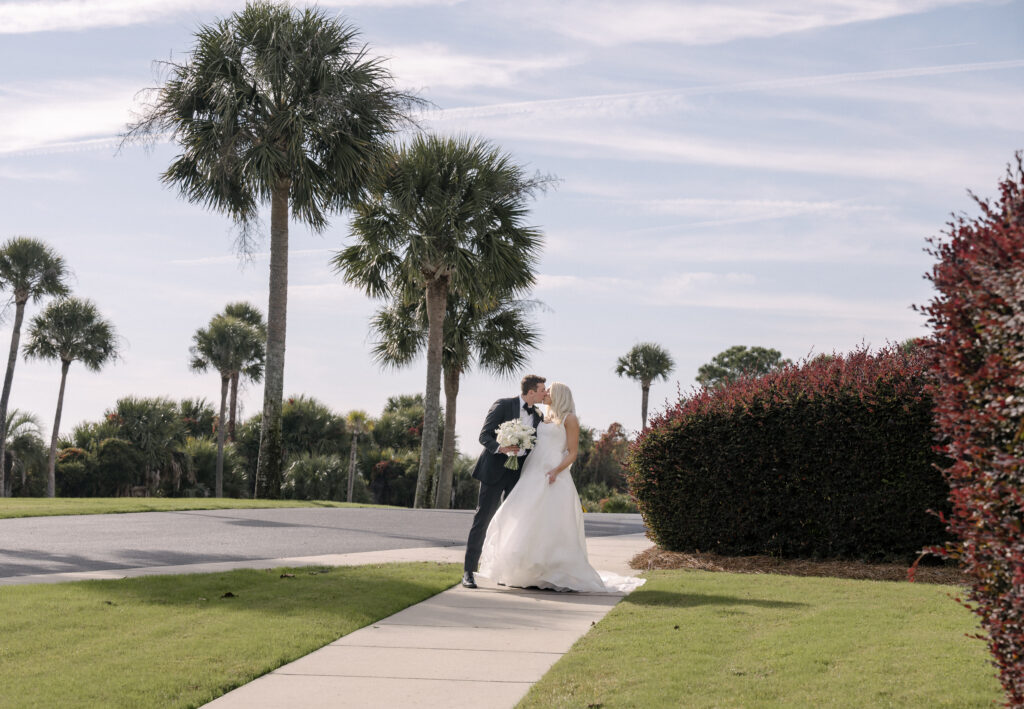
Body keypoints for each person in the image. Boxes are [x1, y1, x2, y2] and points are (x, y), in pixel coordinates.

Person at [476, 382, 645, 593]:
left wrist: (556, 470)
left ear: (559, 396)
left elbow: (573, 452)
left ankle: (553, 571)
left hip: (554, 473)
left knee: (552, 522)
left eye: (549, 391)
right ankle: (527, 571)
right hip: (533, 470)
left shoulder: (569, 419)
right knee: (522, 516)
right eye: (544, 391)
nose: (545, 394)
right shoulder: (543, 417)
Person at [461, 374, 547, 589]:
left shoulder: (538, 414)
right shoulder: (503, 405)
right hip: (493, 471)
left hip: (518, 475)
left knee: (512, 524)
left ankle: (504, 571)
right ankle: (468, 572)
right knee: (483, 519)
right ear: (530, 392)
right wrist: (502, 447)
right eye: (541, 390)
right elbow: (484, 435)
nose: (544, 393)